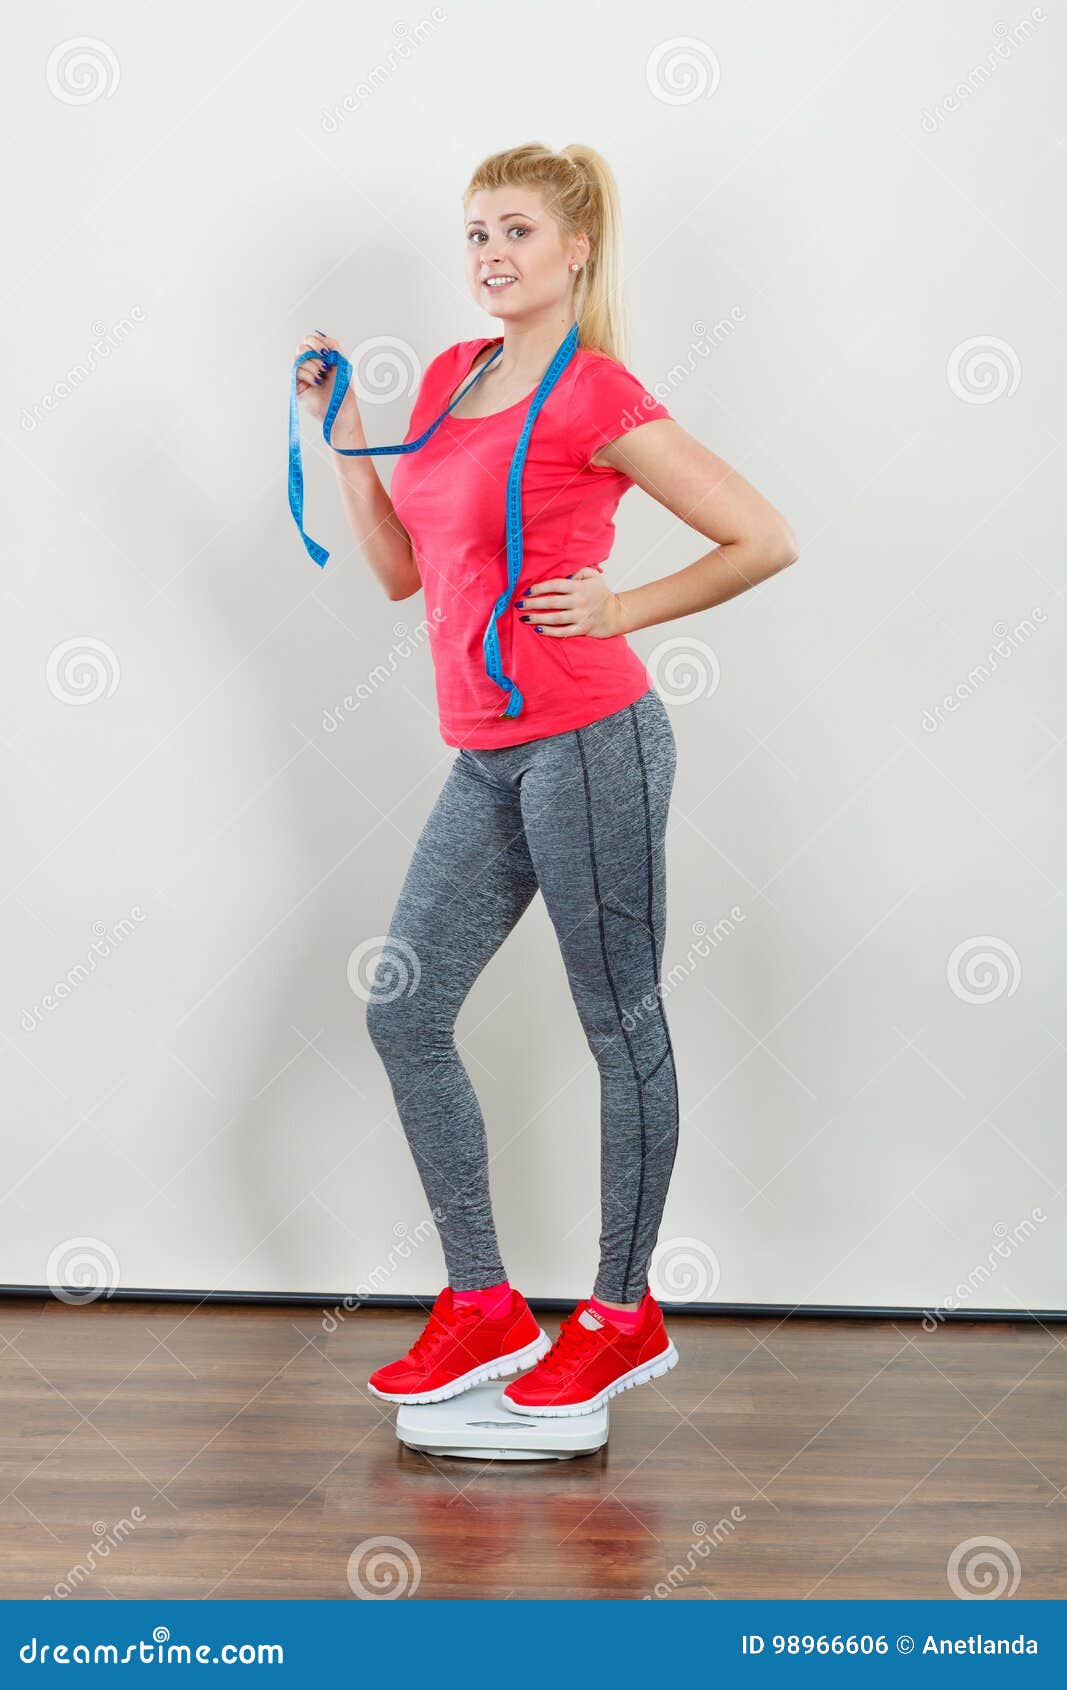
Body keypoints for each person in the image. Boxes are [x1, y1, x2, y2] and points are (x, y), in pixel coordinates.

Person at [293, 142, 797, 1417]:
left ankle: (621, 1314)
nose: (489, 255)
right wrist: (345, 438)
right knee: (404, 1010)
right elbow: (403, 572)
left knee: (614, 1021)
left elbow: (762, 536)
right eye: (473, 234)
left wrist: (622, 602)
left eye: (514, 231)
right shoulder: (459, 378)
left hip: (590, 744)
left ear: (575, 250)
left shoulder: (596, 394)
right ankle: (484, 1304)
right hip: (487, 756)